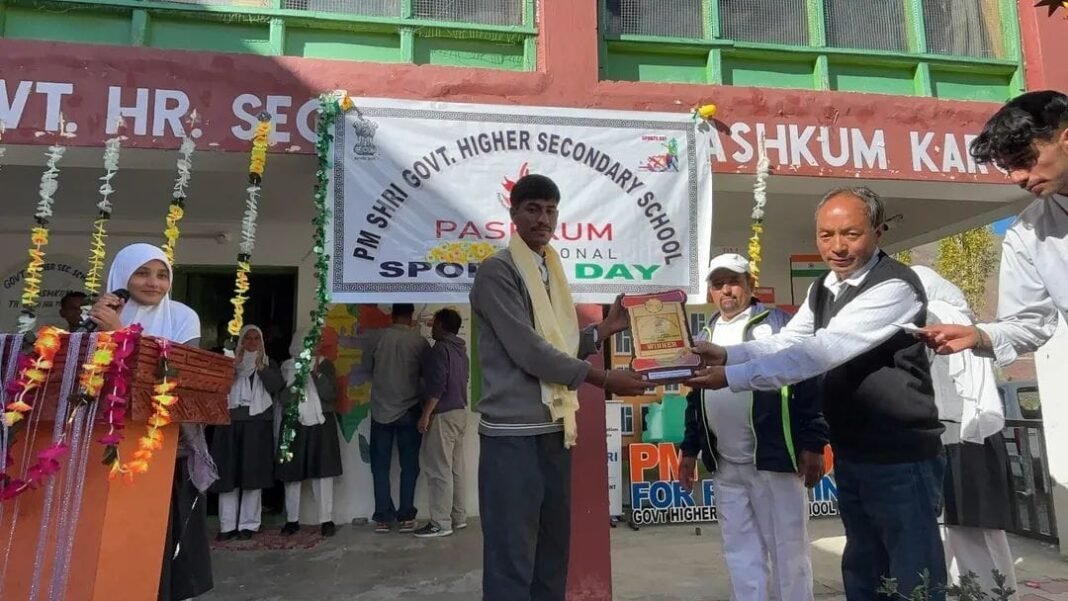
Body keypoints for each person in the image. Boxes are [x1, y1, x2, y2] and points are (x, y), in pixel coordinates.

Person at [683, 187, 947, 600]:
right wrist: (726, 354)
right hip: (854, 450)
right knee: (864, 569)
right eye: (826, 235)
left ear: (878, 232)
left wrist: (731, 376)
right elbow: (787, 341)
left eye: (851, 234)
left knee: (913, 575)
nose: (837, 247)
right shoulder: (824, 286)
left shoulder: (895, 286)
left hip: (900, 453)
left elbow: (816, 353)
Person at [468, 173, 648, 601]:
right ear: (513, 214)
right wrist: (604, 379)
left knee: (552, 555)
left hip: (553, 430)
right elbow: (529, 351)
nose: (542, 219)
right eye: (532, 209)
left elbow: (560, 345)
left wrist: (604, 329)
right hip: (511, 437)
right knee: (511, 560)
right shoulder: (498, 272)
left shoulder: (550, 267)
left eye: (550, 210)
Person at [678, 253, 827, 601]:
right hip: (727, 464)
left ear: (750, 284)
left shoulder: (780, 327)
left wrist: (814, 443)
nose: (726, 290)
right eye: (718, 284)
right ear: (711, 291)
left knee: (788, 549)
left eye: (734, 281)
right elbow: (694, 397)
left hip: (775, 460)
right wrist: (689, 448)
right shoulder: (704, 333)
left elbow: (810, 385)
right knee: (739, 550)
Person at [88, 243, 215, 601]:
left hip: (169, 449)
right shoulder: (99, 317)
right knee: (115, 540)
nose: (153, 283)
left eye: (162, 275)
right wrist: (102, 328)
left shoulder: (181, 317)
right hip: (109, 445)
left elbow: (175, 376)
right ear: (121, 277)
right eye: (142, 273)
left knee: (168, 545)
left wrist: (122, 332)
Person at [920, 90, 1068, 363]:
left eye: (1024, 160)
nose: (1017, 177)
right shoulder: (1027, 233)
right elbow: (1028, 324)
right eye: (1008, 168)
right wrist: (979, 336)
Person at [912, 266, 1019, 596]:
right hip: (974, 431)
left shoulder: (932, 317)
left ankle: (985, 591)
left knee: (966, 527)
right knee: (971, 528)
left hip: (957, 435)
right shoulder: (961, 317)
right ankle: (990, 590)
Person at [209, 325, 284, 540]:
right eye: (248, 339)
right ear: (241, 341)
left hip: (257, 424)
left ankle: (248, 525)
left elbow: (276, 386)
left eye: (256, 339)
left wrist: (261, 367)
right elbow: (219, 386)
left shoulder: (269, 363)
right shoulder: (230, 363)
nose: (252, 343)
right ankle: (227, 525)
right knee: (228, 472)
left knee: (253, 473)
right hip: (229, 423)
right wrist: (232, 367)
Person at [364, 302, 429, 533]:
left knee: (380, 466)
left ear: (391, 315)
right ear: (411, 317)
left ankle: (382, 517)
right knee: (409, 466)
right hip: (410, 410)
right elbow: (427, 375)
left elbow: (366, 368)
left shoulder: (375, 338)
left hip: (381, 409)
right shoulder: (419, 342)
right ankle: (406, 517)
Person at [276, 329, 343, 537]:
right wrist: (297, 379)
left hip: (321, 422)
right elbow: (283, 399)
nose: (311, 346)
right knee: (292, 474)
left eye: (313, 342)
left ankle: (326, 520)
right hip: (293, 422)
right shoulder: (287, 367)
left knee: (323, 473)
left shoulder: (325, 365)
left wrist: (316, 374)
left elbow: (330, 394)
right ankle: (292, 520)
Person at [414, 308, 470, 538]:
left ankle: (440, 522)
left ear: (442, 326)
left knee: (439, 470)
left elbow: (437, 386)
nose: (430, 327)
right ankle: (459, 517)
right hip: (460, 413)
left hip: (443, 414)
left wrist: (426, 414)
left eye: (434, 323)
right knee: (456, 469)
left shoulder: (440, 350)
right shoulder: (461, 351)